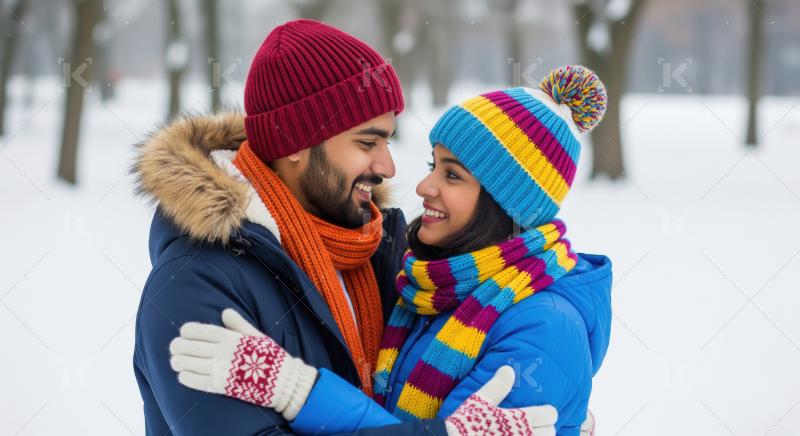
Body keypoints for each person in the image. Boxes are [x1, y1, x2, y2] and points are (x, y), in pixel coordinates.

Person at [133, 19, 554, 435]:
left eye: (387, 142)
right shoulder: (194, 283)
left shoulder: (380, 256)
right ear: (295, 140)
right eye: (367, 143)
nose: (387, 166)